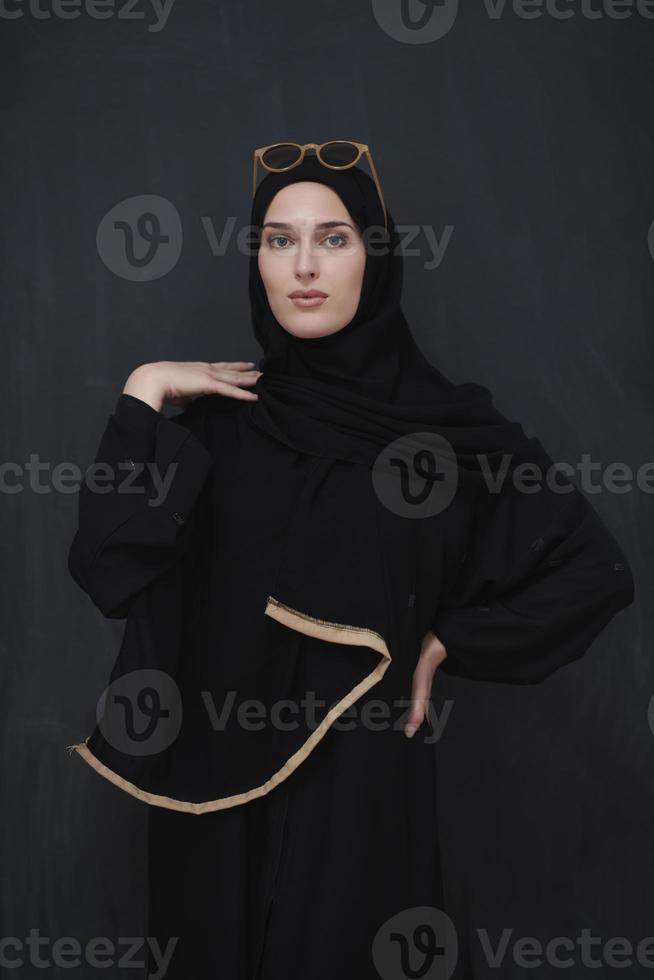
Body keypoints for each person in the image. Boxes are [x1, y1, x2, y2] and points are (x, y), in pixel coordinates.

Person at [67, 146, 635, 979]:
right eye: (276, 240)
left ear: (378, 254)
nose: (302, 266)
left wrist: (448, 642)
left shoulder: (448, 439)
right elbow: (107, 564)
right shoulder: (224, 425)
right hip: (213, 793)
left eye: (333, 239)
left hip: (362, 790)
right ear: (254, 258)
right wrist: (144, 390)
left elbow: (594, 570)